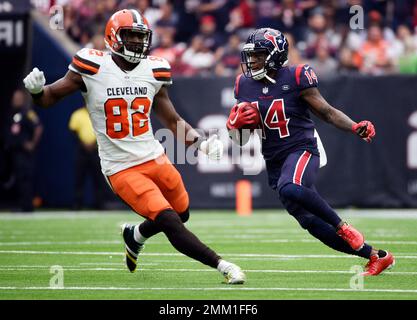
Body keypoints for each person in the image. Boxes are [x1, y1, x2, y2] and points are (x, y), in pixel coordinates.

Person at [23, 9, 245, 284]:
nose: (138, 43)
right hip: (121, 167)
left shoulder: (154, 69)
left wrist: (199, 143)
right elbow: (49, 98)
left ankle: (135, 234)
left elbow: (172, 120)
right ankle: (222, 265)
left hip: (154, 155)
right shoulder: (91, 66)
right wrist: (36, 93)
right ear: (113, 37)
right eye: (131, 36)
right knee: (169, 221)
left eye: (142, 38)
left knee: (181, 213)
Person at [226, 28, 395, 276]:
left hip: (301, 148)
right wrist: (234, 128)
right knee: (310, 222)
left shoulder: (296, 76)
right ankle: (376, 256)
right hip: (273, 158)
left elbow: (326, 112)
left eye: (259, 55)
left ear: (274, 55)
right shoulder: (243, 84)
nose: (252, 61)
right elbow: (241, 140)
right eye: (251, 56)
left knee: (290, 186)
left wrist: (354, 126)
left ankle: (342, 225)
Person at [4, 89, 43, 212]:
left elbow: (38, 127)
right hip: (13, 152)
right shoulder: (11, 113)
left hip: (24, 153)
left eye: (18, 98)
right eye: (14, 98)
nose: (15, 100)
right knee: (18, 178)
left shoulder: (28, 113)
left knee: (25, 178)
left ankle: (27, 206)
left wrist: (32, 143)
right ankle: (21, 204)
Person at [68, 106, 105, 210]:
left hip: (96, 150)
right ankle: (77, 205)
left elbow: (104, 130)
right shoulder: (77, 114)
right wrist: (83, 144)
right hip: (82, 151)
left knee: (98, 179)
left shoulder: (99, 113)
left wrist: (94, 143)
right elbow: (73, 132)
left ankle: (99, 205)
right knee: (79, 178)